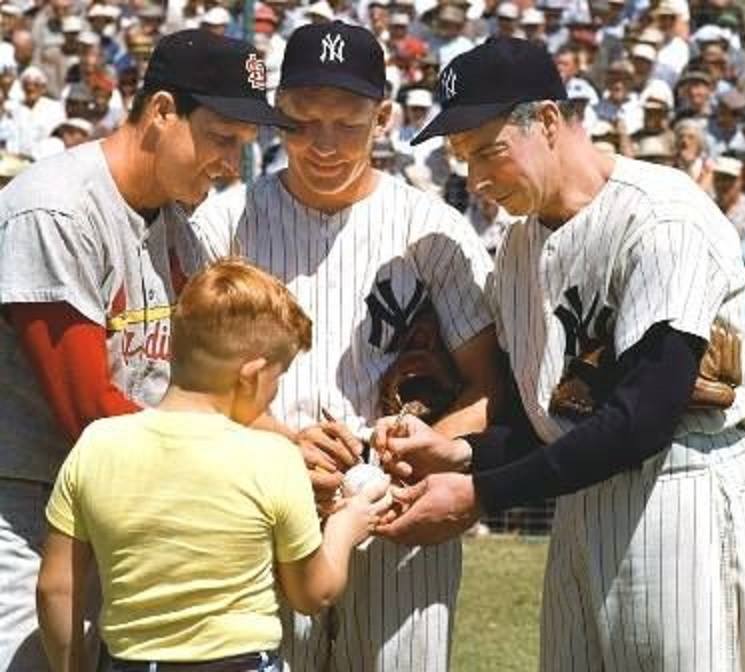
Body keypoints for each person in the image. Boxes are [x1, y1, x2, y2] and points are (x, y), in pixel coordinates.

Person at [375, 37, 745, 671]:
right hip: (580, 497)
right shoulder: (515, 251)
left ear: (548, 121)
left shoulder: (661, 218)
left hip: (682, 494)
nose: (477, 178)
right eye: (462, 157)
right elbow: (560, 418)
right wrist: (460, 452)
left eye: (489, 151)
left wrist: (480, 493)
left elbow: (641, 420)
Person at [194, 20, 503, 672]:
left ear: (384, 117)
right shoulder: (225, 221)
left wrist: (434, 444)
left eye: (350, 122)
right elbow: (188, 381)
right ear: (278, 115)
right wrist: (276, 436)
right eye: (304, 122)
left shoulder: (432, 230)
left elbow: (489, 386)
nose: (326, 145)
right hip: (261, 507)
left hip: (398, 515)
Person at [0, 29, 291, 671]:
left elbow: (206, 391)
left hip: (130, 508)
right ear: (161, 111)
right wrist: (245, 467)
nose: (230, 165)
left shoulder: (180, 229)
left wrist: (289, 443)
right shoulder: (58, 212)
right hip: (25, 513)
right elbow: (89, 415)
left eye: (244, 148)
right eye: (221, 140)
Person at [36, 258, 393, 672]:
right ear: (252, 375)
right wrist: (346, 526)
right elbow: (312, 594)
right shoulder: (272, 458)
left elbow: (55, 588)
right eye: (278, 378)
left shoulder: (96, 445)